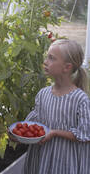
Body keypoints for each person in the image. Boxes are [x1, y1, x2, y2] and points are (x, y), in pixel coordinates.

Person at [12, 39, 90, 174]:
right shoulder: (43, 94)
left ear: (67, 67)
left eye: (51, 58)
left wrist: (55, 132)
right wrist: (19, 135)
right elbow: (33, 124)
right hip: (42, 157)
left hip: (65, 161)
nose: (45, 62)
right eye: (47, 56)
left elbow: (85, 134)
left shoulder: (80, 99)